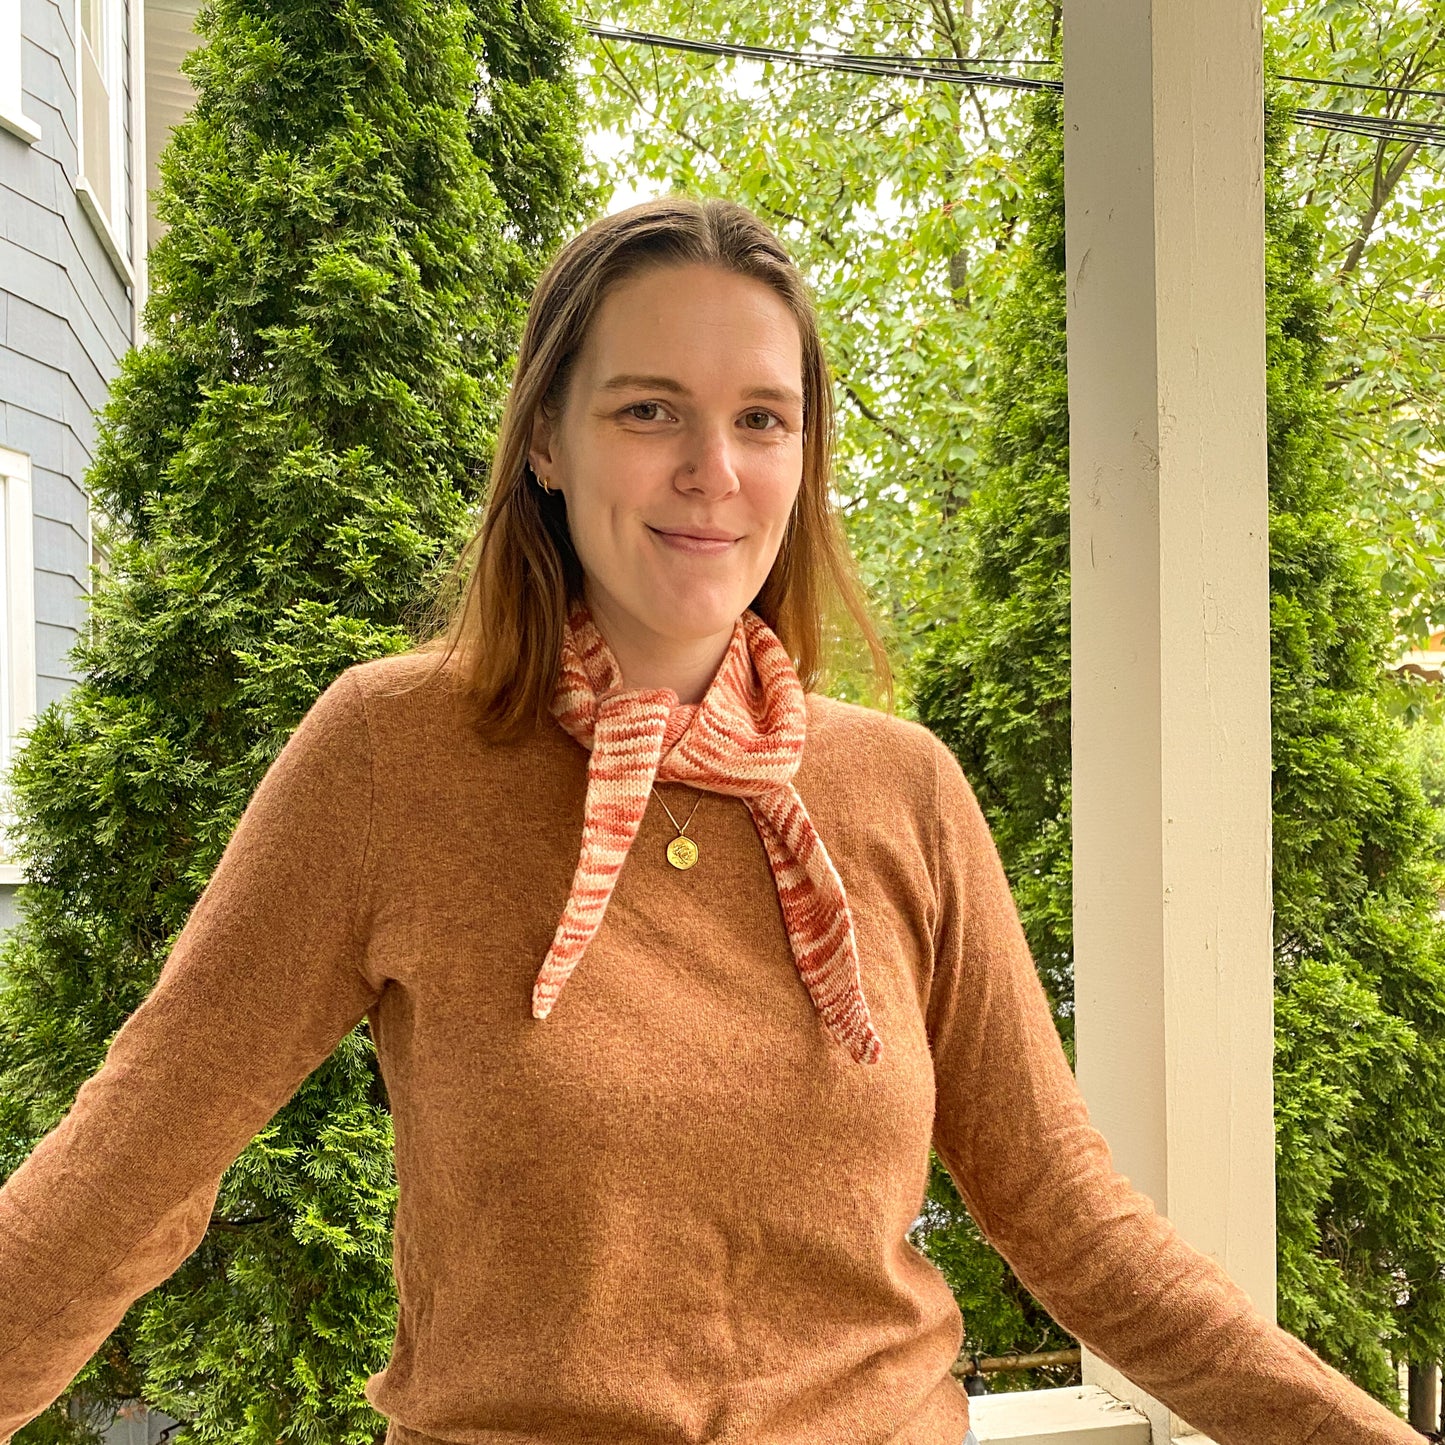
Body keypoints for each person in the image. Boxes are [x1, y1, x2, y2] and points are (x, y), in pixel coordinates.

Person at [0, 194, 1423, 1445]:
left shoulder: (901, 789)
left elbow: (1074, 1224)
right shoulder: (390, 753)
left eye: (761, 418)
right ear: (546, 441)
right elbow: (125, 1172)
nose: (713, 471)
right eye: (646, 409)